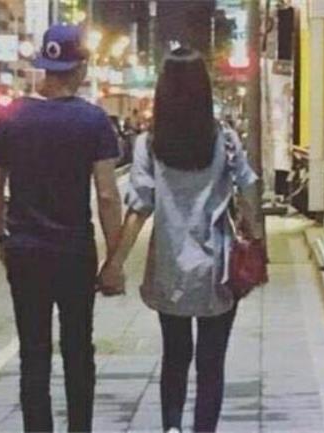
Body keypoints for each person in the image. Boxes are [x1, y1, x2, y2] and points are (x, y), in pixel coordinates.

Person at [99, 47, 261, 433]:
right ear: (204, 90)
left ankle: (171, 428)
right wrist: (255, 237)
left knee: (174, 355)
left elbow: (139, 207)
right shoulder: (224, 139)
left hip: (170, 267)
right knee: (211, 363)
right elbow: (249, 189)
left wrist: (114, 263)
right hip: (218, 269)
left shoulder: (149, 144)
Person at [0, 24, 125, 433]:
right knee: (78, 349)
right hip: (74, 251)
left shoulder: (8, 117)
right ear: (80, 67)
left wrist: (0, 237)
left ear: (45, 67)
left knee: (34, 352)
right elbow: (107, 195)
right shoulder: (93, 120)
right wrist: (114, 260)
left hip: (25, 250)